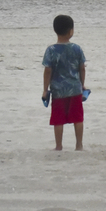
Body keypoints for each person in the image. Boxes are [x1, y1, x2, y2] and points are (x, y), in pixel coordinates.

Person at [42, 15, 87, 151]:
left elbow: (47, 71)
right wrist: (82, 84)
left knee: (58, 119)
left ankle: (59, 146)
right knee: (78, 118)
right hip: (75, 89)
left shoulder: (51, 50)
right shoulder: (77, 48)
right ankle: (79, 145)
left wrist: (45, 89)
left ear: (55, 30)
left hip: (58, 91)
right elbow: (82, 68)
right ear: (71, 31)